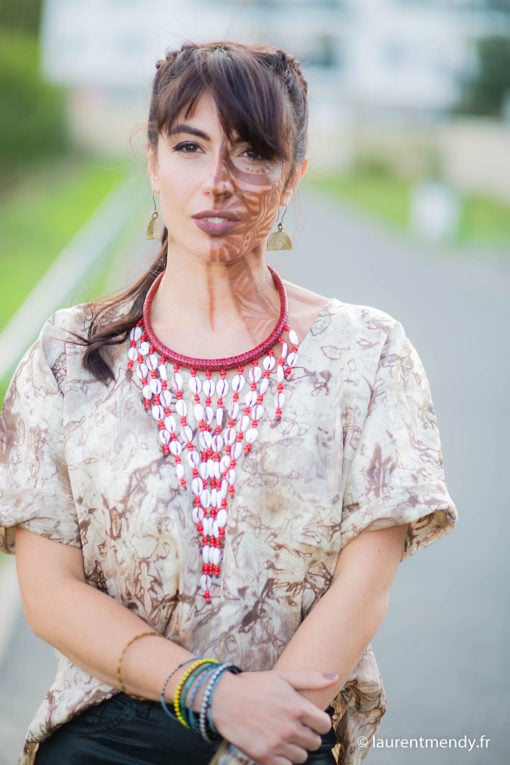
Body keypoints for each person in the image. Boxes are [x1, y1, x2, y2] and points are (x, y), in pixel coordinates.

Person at [0, 41, 457, 765]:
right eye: (190, 145)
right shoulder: (67, 355)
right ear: (151, 160)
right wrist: (211, 692)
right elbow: (48, 591)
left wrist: (262, 731)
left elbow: (364, 585)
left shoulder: (368, 354)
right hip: (107, 732)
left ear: (293, 177)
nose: (217, 181)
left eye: (252, 154)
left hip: (289, 728)